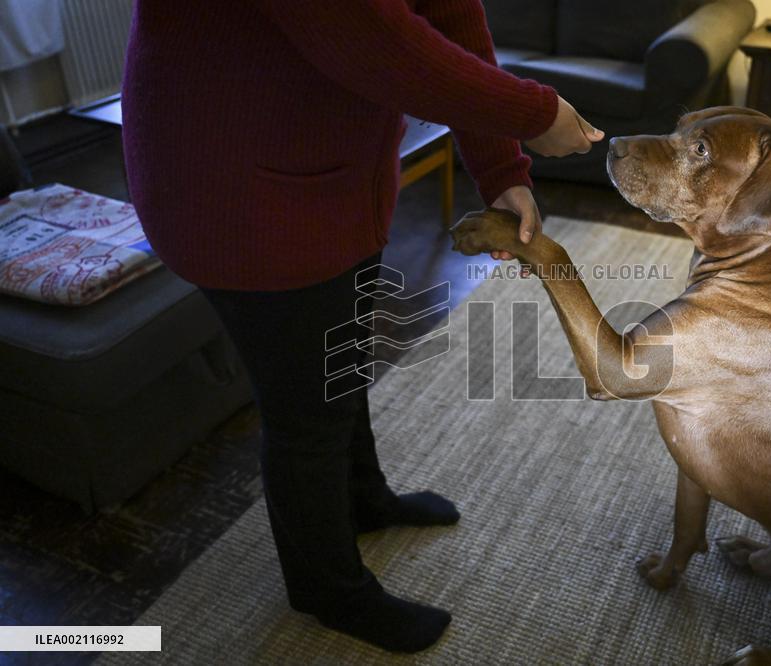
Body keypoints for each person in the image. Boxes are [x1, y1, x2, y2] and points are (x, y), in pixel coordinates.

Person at [121, 0, 603, 654]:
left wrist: (501, 168)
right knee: (306, 413)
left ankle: (362, 499)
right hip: (236, 184)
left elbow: (450, 15)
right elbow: (372, 37)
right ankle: (327, 587)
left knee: (339, 361)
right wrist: (534, 112)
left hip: (327, 175)